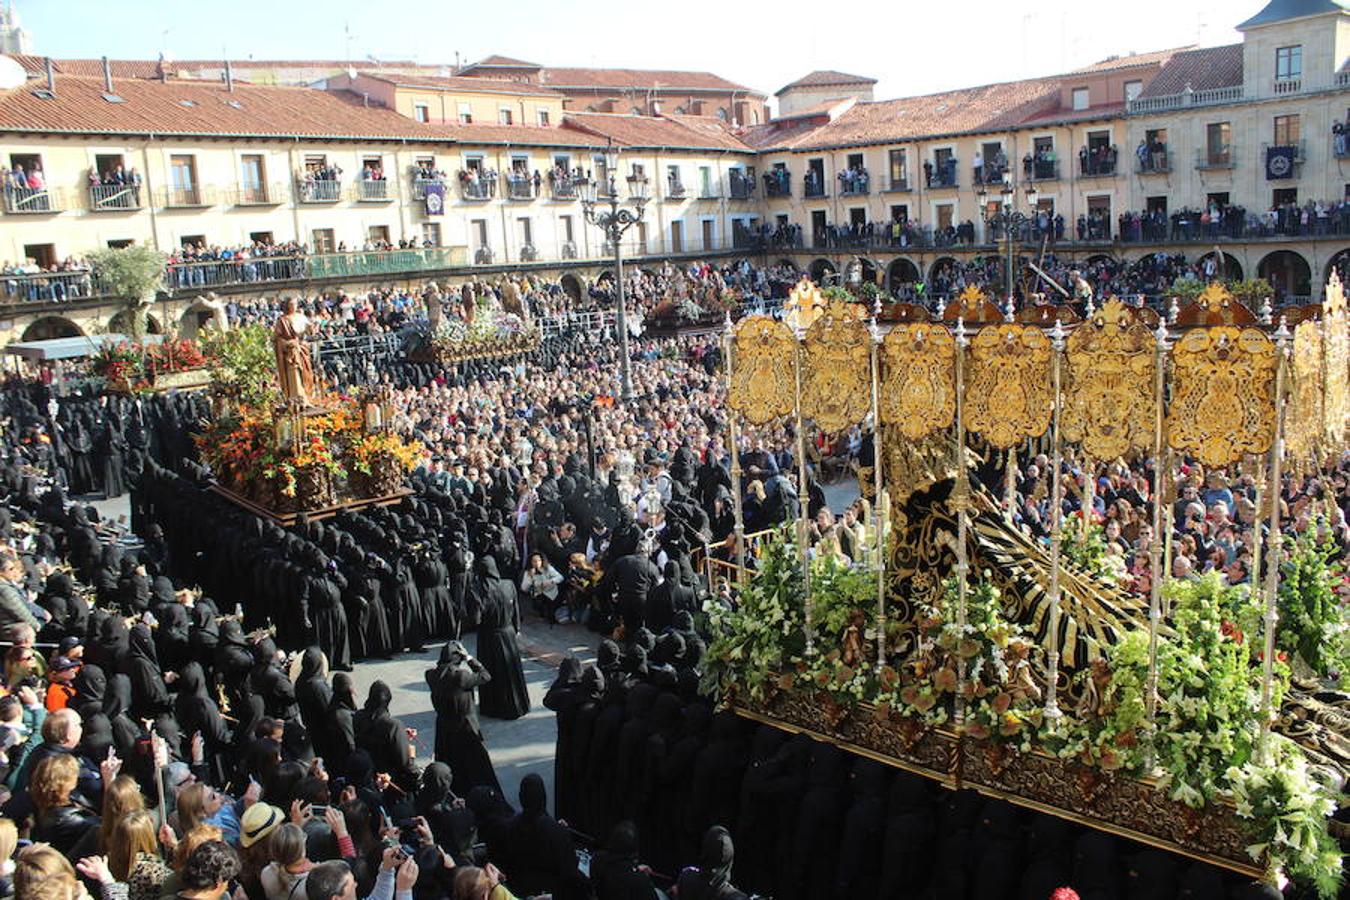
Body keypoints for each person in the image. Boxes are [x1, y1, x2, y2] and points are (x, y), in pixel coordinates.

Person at [425, 642, 501, 797]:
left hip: (444, 727)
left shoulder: (430, 675)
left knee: (450, 762)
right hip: (465, 726)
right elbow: (485, 675)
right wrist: (469, 658)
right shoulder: (461, 677)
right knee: (476, 765)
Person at [472, 559, 529, 721]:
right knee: (511, 671)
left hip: (489, 637)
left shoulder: (479, 589)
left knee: (493, 672)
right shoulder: (508, 584)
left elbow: (475, 619)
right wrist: (516, 628)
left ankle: (495, 706)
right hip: (508, 632)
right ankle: (518, 704)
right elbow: (516, 609)